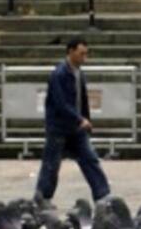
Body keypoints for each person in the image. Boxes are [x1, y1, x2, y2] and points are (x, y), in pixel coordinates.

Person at [35, 37, 111, 202]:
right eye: (81, 53)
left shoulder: (78, 73)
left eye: (86, 54)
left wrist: (85, 120)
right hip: (59, 127)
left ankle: (103, 195)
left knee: (90, 160)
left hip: (77, 128)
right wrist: (79, 119)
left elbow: (82, 100)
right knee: (51, 165)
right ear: (70, 52)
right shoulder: (59, 74)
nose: (85, 58)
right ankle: (42, 198)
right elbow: (61, 103)